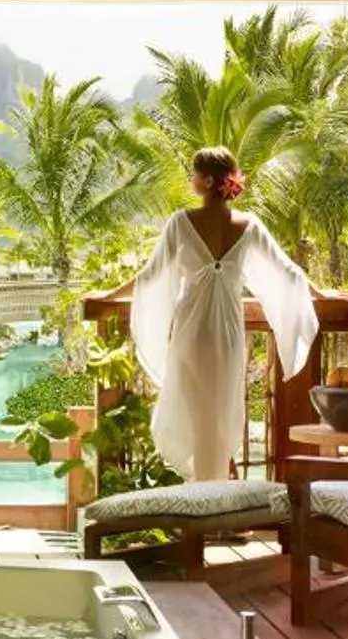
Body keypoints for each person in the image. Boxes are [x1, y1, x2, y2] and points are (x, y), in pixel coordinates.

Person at [117, 146, 320, 483]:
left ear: (208, 180)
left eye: (193, 173)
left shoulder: (181, 223)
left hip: (192, 331)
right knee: (218, 411)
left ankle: (200, 498)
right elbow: (289, 274)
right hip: (226, 331)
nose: (190, 179)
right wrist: (321, 293)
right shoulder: (249, 225)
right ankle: (214, 501)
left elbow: (150, 276)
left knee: (193, 411)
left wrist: (107, 295)